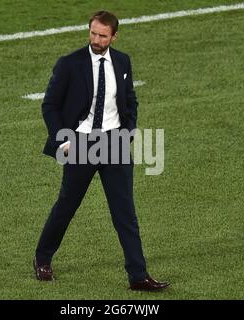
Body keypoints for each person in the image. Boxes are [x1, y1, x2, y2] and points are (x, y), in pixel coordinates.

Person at [33, 10, 169, 291]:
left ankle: (138, 276)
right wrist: (63, 141)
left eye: (103, 35)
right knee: (67, 207)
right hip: (80, 144)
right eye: (93, 33)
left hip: (114, 144)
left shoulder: (122, 61)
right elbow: (49, 106)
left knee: (125, 214)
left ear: (114, 36)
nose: (96, 39)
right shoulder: (69, 64)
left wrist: (128, 132)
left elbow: (130, 100)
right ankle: (42, 258)